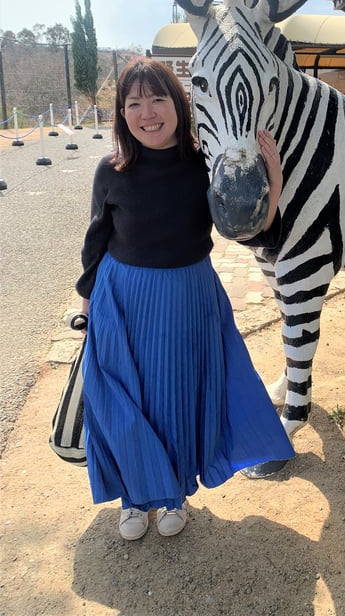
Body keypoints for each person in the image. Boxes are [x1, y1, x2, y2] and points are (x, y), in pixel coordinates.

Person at [76, 58, 294, 541]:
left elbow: (252, 230)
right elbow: (95, 242)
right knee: (124, 400)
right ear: (122, 113)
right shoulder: (110, 170)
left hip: (187, 299)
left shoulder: (204, 165)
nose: (147, 113)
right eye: (134, 103)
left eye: (158, 99)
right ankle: (133, 500)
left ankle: (173, 493)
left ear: (179, 105)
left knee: (175, 398)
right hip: (122, 299)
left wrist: (273, 181)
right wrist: (86, 307)